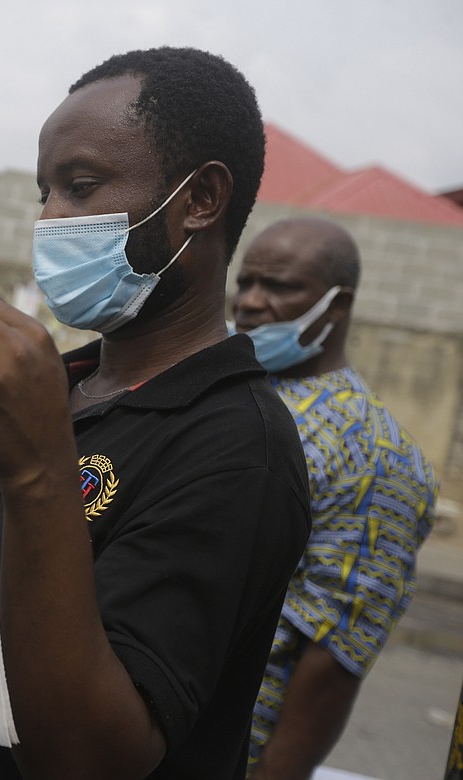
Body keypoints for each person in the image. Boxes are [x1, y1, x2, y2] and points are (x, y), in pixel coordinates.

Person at [0, 47, 311, 779]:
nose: (49, 221)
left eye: (80, 187)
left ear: (200, 199)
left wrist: (38, 470)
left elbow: (90, 759)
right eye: (43, 193)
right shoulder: (56, 386)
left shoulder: (238, 445)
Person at [232, 217, 439, 777]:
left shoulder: (375, 453)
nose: (250, 301)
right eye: (245, 281)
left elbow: (336, 650)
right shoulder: (227, 389)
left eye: (279, 288)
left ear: (337, 304)